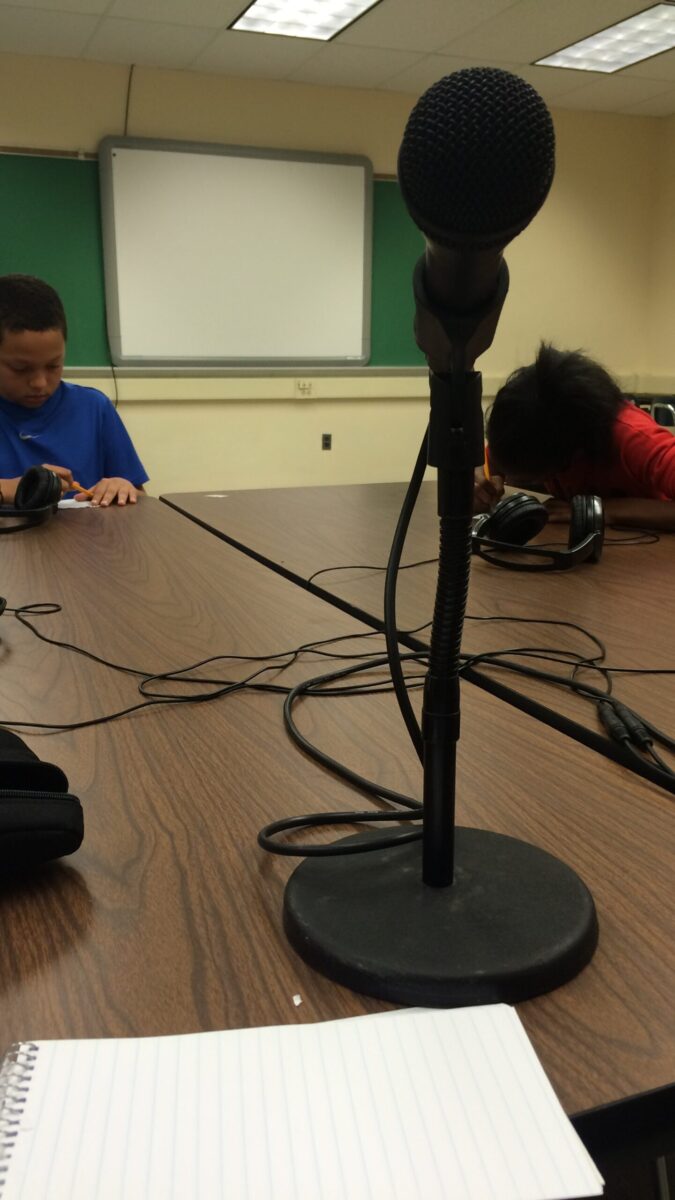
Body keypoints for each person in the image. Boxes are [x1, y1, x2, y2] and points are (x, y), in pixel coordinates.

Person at [474, 342, 675, 531]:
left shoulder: (633, 438)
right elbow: (494, 460)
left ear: (574, 450)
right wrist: (484, 483)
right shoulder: (528, 430)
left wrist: (600, 510)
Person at [0, 274, 148, 507]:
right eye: (21, 368)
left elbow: (139, 497)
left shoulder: (93, 407)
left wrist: (121, 488)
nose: (40, 382)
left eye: (53, 366)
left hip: (84, 541)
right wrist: (6, 489)